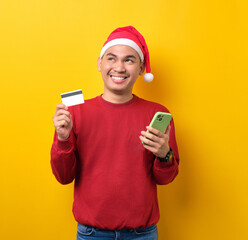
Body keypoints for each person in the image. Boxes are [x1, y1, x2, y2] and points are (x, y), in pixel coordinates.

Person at [51, 26, 180, 240]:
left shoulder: (157, 113)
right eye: (111, 58)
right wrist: (63, 139)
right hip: (91, 234)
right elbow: (64, 177)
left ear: (141, 69)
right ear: (100, 64)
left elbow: (165, 178)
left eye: (129, 60)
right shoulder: (73, 112)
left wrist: (164, 153)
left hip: (142, 234)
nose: (119, 67)